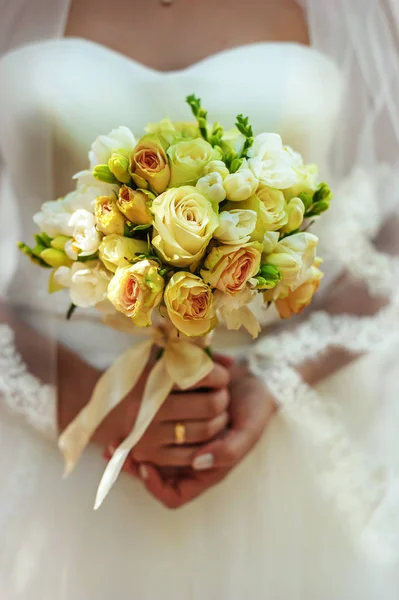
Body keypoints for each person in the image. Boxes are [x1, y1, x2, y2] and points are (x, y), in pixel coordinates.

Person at [1, 0, 399, 598]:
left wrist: (276, 378)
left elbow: (390, 224)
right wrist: (74, 395)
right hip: (54, 435)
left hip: (273, 432)